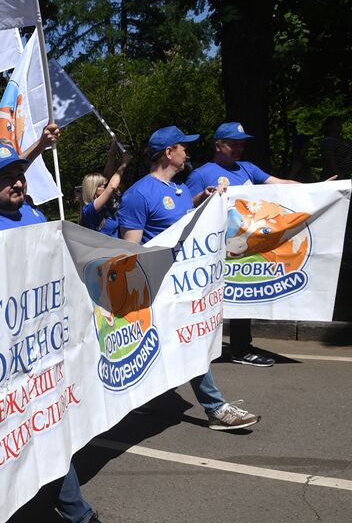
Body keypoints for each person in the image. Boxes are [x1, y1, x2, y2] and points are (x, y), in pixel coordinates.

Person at [0, 135, 126, 523]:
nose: (16, 182)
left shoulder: (35, 214)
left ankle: (69, 512)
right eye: (5, 177)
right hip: (7, 358)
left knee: (48, 427)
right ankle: (73, 516)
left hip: (45, 348)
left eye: (19, 174)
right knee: (22, 434)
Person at [119, 126, 259, 432]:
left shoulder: (179, 189)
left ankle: (141, 397)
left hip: (186, 283)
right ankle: (216, 409)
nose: (188, 152)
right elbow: (130, 251)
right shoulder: (138, 194)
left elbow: (182, 221)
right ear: (169, 153)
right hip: (160, 287)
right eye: (183, 147)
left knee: (180, 341)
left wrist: (202, 199)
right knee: (190, 341)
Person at [185, 122, 317, 368]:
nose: (238, 148)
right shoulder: (202, 174)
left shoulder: (247, 168)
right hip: (215, 247)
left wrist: (319, 189)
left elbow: (279, 184)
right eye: (233, 144)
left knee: (244, 292)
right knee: (210, 297)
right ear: (218, 145)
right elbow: (187, 208)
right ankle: (199, 346)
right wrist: (203, 195)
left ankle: (241, 348)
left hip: (245, 247)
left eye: (241, 144)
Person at [79, 143, 128, 236]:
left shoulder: (104, 205)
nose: (105, 186)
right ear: (92, 189)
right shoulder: (89, 209)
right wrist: (124, 163)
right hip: (103, 250)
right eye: (101, 185)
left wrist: (113, 147)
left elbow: (107, 175)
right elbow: (111, 186)